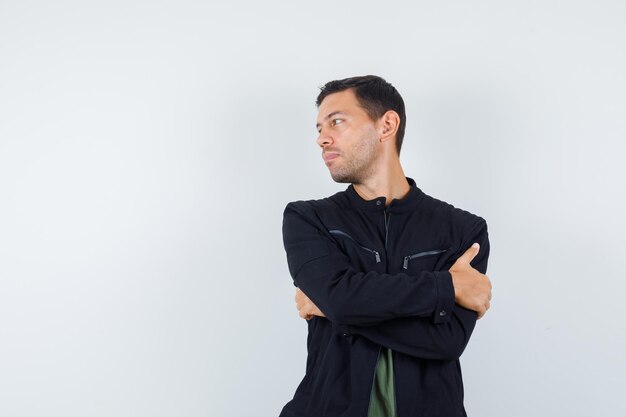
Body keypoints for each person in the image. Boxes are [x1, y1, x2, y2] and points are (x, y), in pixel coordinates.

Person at [280, 75, 492, 417]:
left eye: (336, 121)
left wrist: (335, 308)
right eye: (319, 128)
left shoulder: (462, 230)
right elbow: (342, 301)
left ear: (386, 125)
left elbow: (447, 341)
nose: (322, 138)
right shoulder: (308, 218)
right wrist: (446, 286)